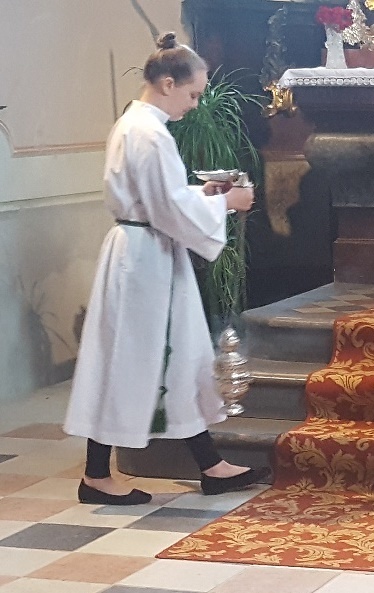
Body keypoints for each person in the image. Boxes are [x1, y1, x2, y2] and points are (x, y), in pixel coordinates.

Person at [63, 33, 268, 505]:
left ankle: (210, 465)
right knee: (133, 361)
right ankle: (97, 476)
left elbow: (161, 198)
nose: (195, 106)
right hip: (144, 260)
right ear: (167, 83)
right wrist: (229, 202)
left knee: (177, 357)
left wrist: (206, 195)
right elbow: (167, 208)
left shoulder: (137, 125)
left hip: (146, 251)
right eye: (192, 94)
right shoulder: (149, 133)